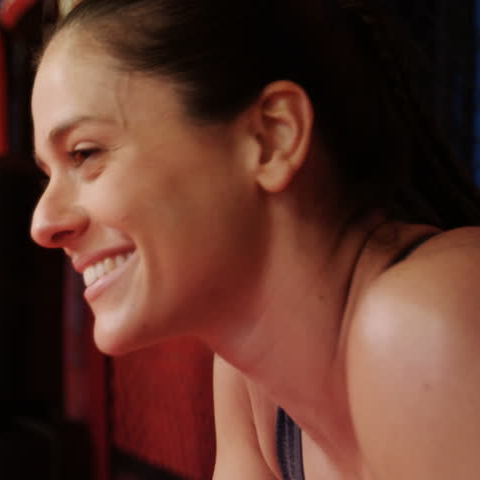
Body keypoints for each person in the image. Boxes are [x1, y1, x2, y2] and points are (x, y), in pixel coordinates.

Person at [29, 0, 480, 478]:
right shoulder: (249, 382)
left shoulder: (423, 324)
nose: (43, 223)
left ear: (271, 137)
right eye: (48, 174)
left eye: (85, 153)